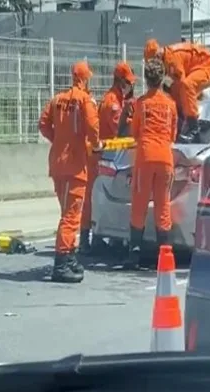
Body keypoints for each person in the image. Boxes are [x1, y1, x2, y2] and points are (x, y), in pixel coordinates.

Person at [38, 60, 99, 283]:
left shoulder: (57, 99)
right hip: (75, 165)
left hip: (58, 163)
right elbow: (93, 127)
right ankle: (62, 262)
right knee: (71, 216)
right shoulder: (85, 100)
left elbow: (43, 124)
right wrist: (95, 144)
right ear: (85, 79)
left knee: (68, 213)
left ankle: (69, 256)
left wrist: (59, 140)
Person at [79, 61, 137, 255]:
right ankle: (85, 240)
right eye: (128, 82)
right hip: (99, 156)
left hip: (110, 156)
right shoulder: (112, 101)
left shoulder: (119, 99)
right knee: (93, 197)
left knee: (105, 197)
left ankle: (101, 238)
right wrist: (132, 120)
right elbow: (118, 130)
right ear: (120, 82)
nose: (131, 86)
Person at [128, 58, 178, 267]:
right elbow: (173, 134)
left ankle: (134, 253)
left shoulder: (141, 103)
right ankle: (165, 254)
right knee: (163, 205)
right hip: (165, 158)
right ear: (162, 78)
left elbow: (135, 132)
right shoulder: (171, 104)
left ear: (146, 79)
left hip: (146, 156)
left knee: (139, 204)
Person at [143, 38, 210, 141]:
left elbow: (183, 85)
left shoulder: (172, 60)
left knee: (187, 85)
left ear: (158, 56)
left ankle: (193, 128)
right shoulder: (167, 59)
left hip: (208, 66)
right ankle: (185, 122)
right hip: (196, 69)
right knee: (175, 90)